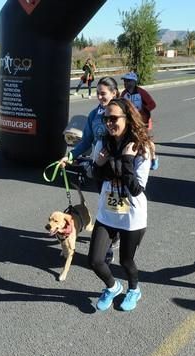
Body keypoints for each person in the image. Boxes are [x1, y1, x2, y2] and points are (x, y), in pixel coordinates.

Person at [89, 98, 155, 312]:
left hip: (132, 215)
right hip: (107, 212)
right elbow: (96, 176)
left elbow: (136, 188)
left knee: (126, 261)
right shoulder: (103, 143)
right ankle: (113, 286)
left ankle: (134, 289)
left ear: (127, 118)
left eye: (114, 118)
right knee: (95, 260)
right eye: (106, 118)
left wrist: (126, 160)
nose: (109, 122)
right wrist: (98, 165)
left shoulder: (141, 147)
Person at [59, 76, 121, 263]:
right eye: (98, 93)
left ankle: (112, 242)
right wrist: (69, 156)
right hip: (100, 168)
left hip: (119, 169)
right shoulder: (94, 115)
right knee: (105, 205)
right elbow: (86, 140)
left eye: (103, 93)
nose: (100, 97)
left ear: (114, 93)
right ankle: (111, 238)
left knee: (117, 208)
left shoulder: (123, 112)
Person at [120, 71, 159, 170]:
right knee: (130, 139)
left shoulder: (141, 92)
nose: (126, 83)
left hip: (143, 121)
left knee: (145, 141)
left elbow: (152, 104)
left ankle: (154, 158)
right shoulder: (124, 94)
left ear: (134, 82)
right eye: (125, 81)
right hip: (130, 121)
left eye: (128, 81)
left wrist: (142, 111)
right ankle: (133, 159)